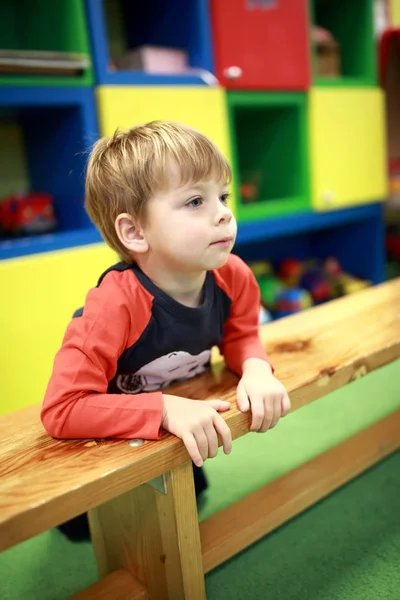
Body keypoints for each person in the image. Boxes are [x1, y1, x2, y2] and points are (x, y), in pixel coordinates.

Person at [41, 120, 290, 541]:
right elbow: (62, 409)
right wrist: (164, 409)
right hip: (103, 441)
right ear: (135, 232)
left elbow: (241, 333)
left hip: (175, 426)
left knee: (190, 501)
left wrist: (257, 369)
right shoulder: (114, 306)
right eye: (196, 201)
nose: (225, 212)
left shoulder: (234, 276)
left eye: (222, 196)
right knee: (98, 533)